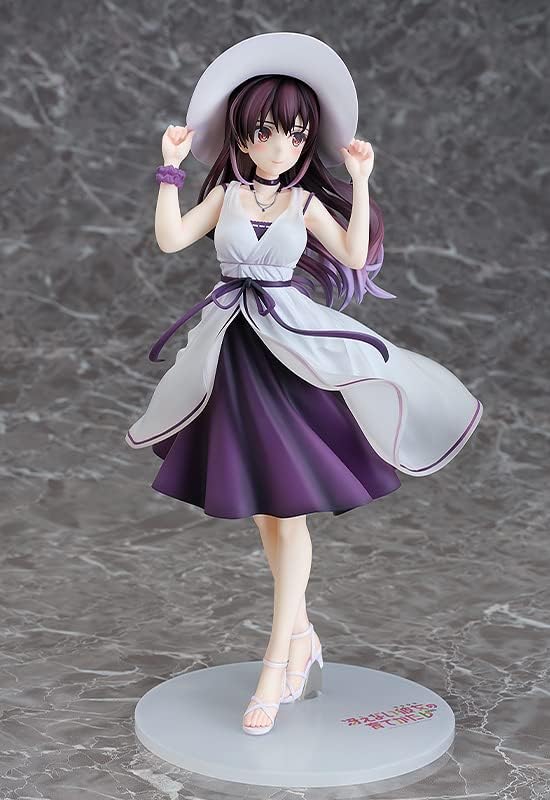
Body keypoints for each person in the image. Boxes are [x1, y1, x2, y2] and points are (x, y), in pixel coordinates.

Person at [125, 32, 483, 735]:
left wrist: (361, 178)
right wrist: (169, 169)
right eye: (267, 132)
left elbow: (352, 250)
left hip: (289, 355)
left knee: (286, 512)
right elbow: (170, 239)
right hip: (235, 355)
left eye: (295, 134)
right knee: (269, 511)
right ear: (243, 136)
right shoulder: (228, 194)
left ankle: (276, 664)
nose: (282, 146)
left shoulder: (302, 204)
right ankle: (303, 639)